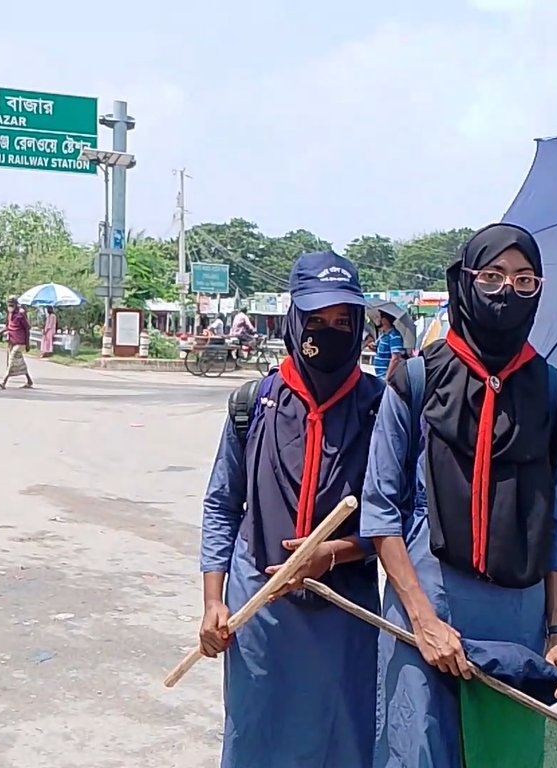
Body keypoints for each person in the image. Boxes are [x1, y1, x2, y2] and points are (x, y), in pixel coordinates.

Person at [361, 223, 557, 767]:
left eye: (523, 280)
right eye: (491, 276)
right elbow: (380, 512)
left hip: (518, 621)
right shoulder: (415, 380)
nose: (506, 292)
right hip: (427, 611)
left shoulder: (555, 392)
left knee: (502, 756)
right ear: (465, 283)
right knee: (416, 752)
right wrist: (420, 618)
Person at [198, 251, 384, 768]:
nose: (329, 332)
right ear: (293, 319)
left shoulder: (380, 406)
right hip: (258, 612)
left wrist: (335, 553)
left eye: (343, 321)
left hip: (346, 614)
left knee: (342, 741)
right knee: (257, 737)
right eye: (317, 320)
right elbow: (221, 504)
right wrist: (214, 601)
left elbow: (400, 518)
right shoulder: (252, 403)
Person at [0, 297, 33, 389]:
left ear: (16, 304)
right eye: (9, 304)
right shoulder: (10, 314)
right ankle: (29, 381)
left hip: (20, 342)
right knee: (19, 362)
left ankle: (4, 381)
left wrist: (27, 344)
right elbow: (7, 326)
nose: (10, 306)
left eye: (12, 304)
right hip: (12, 341)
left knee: (12, 360)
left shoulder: (21, 314)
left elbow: (27, 329)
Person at [372, 310, 406, 378]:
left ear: (385, 320)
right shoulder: (383, 335)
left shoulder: (394, 336)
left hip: (385, 376)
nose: (379, 319)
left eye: (381, 317)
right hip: (379, 375)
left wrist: (387, 377)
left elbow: (396, 358)